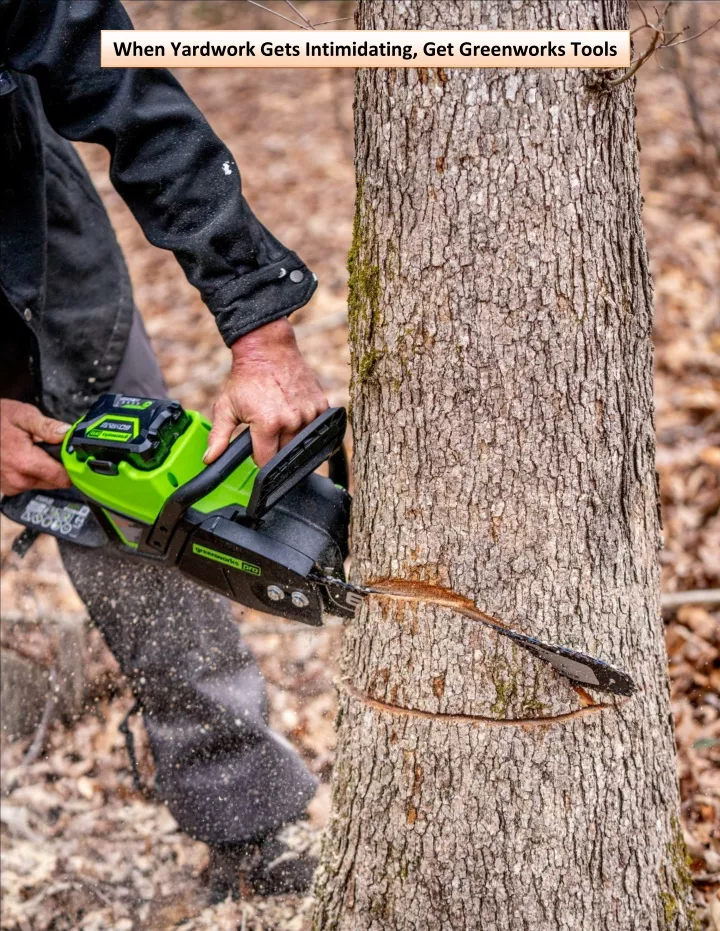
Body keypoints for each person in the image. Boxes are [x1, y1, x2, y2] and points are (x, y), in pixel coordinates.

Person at [0, 0, 327, 900]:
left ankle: (245, 820)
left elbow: (119, 78)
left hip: (19, 214)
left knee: (141, 512)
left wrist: (258, 319)